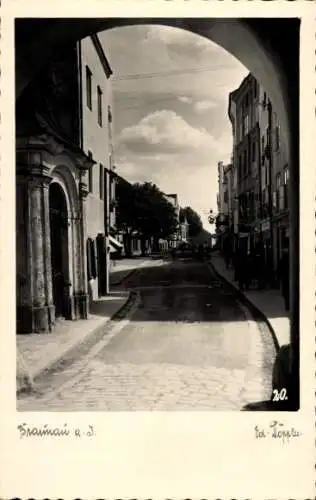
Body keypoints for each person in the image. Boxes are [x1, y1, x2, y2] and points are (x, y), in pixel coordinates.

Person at [278, 246, 290, 311]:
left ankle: (287, 305)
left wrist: (279, 277)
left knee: (286, 293)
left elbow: (279, 270)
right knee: (287, 292)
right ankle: (288, 305)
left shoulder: (282, 260)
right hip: (287, 278)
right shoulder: (290, 260)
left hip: (284, 278)